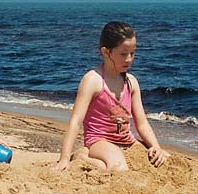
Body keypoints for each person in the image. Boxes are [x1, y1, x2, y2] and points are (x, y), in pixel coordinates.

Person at [53, 21, 169, 172]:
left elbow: (141, 123)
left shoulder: (131, 82)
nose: (129, 59)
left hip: (128, 142)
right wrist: (64, 158)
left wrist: (156, 147)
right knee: (119, 168)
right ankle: (80, 156)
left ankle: (92, 160)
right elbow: (75, 121)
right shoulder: (93, 80)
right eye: (123, 54)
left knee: (162, 162)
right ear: (105, 52)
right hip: (100, 142)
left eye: (132, 53)